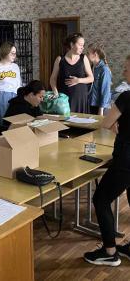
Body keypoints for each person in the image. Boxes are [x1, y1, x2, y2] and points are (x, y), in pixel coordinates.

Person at [84, 55, 130, 267]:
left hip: (126, 160)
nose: (124, 73)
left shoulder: (126, 98)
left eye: (127, 69)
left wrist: (114, 126)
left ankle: (110, 252)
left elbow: (106, 123)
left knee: (101, 200)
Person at [50, 33, 94, 113]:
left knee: (81, 123)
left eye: (83, 45)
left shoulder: (84, 58)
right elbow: (53, 79)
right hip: (64, 100)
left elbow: (91, 78)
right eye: (80, 45)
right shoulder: (60, 59)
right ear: (72, 44)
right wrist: (55, 92)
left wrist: (78, 80)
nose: (82, 48)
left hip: (81, 99)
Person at [0, 42, 21, 125]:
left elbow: (19, 86)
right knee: (2, 126)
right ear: (5, 52)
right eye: (12, 53)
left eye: (15, 53)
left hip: (15, 97)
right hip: (0, 98)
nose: (14, 55)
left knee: (15, 126)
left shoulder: (15, 67)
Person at [87, 43, 112, 115]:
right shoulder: (92, 67)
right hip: (91, 103)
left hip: (99, 106)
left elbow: (105, 91)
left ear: (95, 54)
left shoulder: (104, 69)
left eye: (88, 53)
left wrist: (101, 109)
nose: (87, 55)